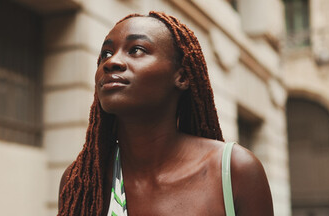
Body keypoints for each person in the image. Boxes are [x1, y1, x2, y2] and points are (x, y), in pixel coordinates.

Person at [58, 11, 273, 216]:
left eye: (136, 50)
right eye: (106, 53)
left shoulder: (234, 171)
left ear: (181, 77)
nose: (112, 62)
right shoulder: (82, 181)